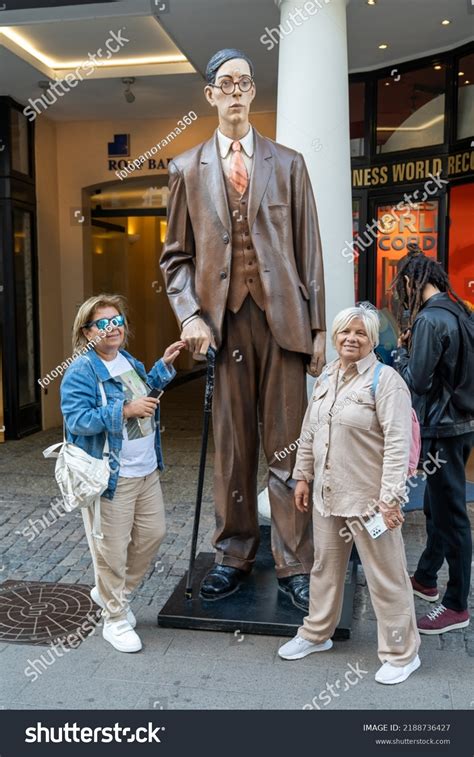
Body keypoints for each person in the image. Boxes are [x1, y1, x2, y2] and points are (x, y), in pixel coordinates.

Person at [160, 48, 326, 610]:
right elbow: (175, 259)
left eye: (244, 82)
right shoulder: (185, 168)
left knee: (288, 448)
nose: (235, 91)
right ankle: (233, 554)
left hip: (284, 324)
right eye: (225, 83)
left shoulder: (289, 163)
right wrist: (189, 315)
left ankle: (295, 562)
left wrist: (320, 328)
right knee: (233, 449)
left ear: (254, 93)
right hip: (222, 325)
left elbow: (311, 252)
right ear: (209, 95)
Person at [278, 305, 421, 685]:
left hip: (370, 502)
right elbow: (310, 430)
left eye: (360, 333)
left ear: (373, 340)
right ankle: (316, 633)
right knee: (324, 568)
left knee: (386, 576)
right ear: (336, 337)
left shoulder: (385, 381)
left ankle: (401, 653)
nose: (351, 339)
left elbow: (396, 443)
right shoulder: (327, 375)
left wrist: (390, 499)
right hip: (328, 496)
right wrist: (302, 475)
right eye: (344, 332)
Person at [60, 294, 185, 652]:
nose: (112, 328)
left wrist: (161, 367)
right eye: (102, 323)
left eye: (116, 321)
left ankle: (113, 594)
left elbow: (145, 396)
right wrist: (124, 410)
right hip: (112, 474)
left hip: (145, 469)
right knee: (110, 550)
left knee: (153, 534)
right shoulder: (81, 370)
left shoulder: (126, 360)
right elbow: (77, 421)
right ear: (87, 332)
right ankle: (114, 619)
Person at [392, 245, 474, 635]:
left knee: (451, 513)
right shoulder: (458, 310)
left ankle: (457, 604)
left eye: (403, 285)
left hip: (441, 428)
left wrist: (401, 354)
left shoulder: (429, 321)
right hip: (460, 423)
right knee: (436, 505)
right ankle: (426, 576)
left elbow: (416, 382)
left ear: (412, 281)